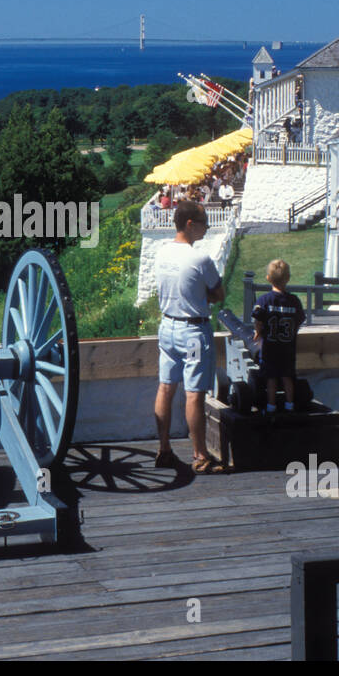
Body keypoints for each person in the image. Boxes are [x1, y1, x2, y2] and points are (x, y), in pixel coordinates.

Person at [153, 201, 226, 473]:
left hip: (167, 328)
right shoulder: (200, 259)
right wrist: (199, 295)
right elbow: (219, 294)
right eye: (203, 222)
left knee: (165, 387)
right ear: (189, 224)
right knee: (194, 394)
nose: (207, 227)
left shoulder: (161, 254)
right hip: (193, 332)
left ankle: (164, 449)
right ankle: (200, 455)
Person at [250, 259, 306, 414]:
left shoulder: (264, 300)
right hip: (288, 347)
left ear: (268, 278)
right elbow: (299, 320)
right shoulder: (294, 301)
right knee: (288, 377)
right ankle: (289, 405)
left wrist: (257, 332)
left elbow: (258, 320)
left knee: (271, 378)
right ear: (288, 278)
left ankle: (271, 406)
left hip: (270, 348)